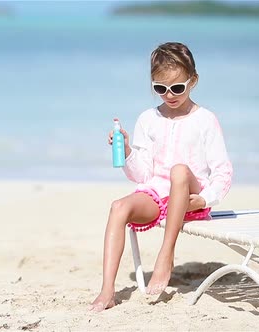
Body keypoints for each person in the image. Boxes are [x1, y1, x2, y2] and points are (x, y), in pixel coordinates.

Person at [89, 42, 233, 312]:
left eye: (177, 87)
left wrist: (204, 199)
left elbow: (223, 172)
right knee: (118, 206)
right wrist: (128, 150)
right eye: (160, 88)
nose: (169, 94)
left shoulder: (205, 120)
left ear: (193, 81)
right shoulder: (148, 118)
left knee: (179, 170)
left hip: (189, 196)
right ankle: (107, 291)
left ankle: (165, 255)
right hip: (157, 196)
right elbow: (142, 174)